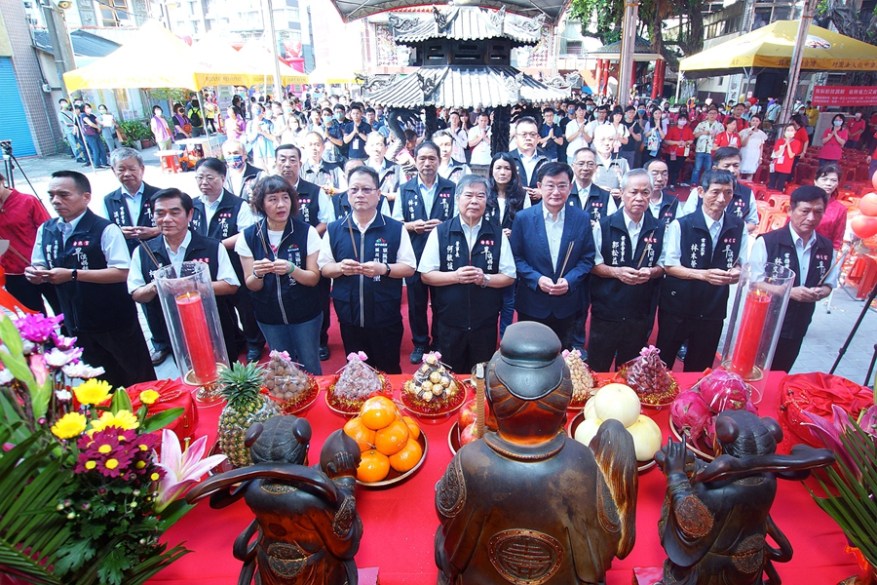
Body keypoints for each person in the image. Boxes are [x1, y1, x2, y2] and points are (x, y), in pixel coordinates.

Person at [26, 170, 153, 388]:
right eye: (52, 195)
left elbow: (122, 271)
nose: (56, 201)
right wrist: (36, 273)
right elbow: (39, 262)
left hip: (114, 320)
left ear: (86, 197)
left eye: (64, 195)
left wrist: (73, 274)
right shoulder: (46, 229)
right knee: (99, 381)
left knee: (136, 377)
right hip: (76, 322)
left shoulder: (104, 229)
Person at [128, 188, 240, 369]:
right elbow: (137, 294)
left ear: (190, 214)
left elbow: (231, 285)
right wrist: (156, 286)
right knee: (189, 374)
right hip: (173, 332)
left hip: (214, 328)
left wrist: (193, 284)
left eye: (174, 212)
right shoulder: (143, 252)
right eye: (160, 213)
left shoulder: (212, 247)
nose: (166, 219)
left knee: (225, 374)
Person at [318, 166, 416, 374]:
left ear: (378, 194)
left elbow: (409, 267)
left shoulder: (395, 228)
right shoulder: (335, 228)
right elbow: (324, 268)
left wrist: (384, 269)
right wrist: (340, 268)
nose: (360, 195)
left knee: (389, 371)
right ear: (347, 194)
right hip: (349, 316)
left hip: (385, 315)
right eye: (354, 189)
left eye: (366, 189)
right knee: (358, 373)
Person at [418, 175, 516, 374]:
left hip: (485, 322)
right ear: (457, 199)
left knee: (480, 376)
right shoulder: (441, 232)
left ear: (487, 201)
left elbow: (509, 276)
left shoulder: (497, 234)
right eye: (469, 195)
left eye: (480, 196)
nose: (474, 201)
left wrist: (485, 279)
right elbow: (426, 274)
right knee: (448, 377)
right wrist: (456, 276)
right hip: (448, 322)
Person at [656, 170, 746, 372]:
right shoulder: (682, 224)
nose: (722, 199)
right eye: (715, 192)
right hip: (678, 304)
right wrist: (704, 275)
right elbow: (669, 266)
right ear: (701, 192)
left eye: (728, 193)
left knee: (700, 366)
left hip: (713, 306)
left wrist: (737, 272)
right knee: (664, 362)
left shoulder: (737, 226)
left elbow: (741, 263)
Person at [236, 176, 323, 375]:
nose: (281, 204)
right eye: (273, 199)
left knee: (310, 363)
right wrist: (258, 274)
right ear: (261, 204)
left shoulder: (306, 232)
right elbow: (252, 284)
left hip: (305, 314)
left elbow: (313, 278)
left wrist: (292, 269)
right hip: (269, 315)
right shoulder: (248, 236)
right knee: (284, 369)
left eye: (285, 197)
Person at [748, 186, 838, 372]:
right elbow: (754, 282)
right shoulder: (768, 242)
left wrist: (820, 292)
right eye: (805, 211)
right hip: (765, 323)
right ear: (790, 210)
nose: (811, 218)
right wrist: (787, 291)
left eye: (818, 212)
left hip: (798, 324)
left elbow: (829, 283)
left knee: (781, 372)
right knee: (754, 371)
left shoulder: (826, 247)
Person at [510, 162, 596, 348]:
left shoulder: (581, 219)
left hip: (567, 304)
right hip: (532, 302)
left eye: (562, 185)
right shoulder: (523, 218)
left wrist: (570, 281)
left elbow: (587, 258)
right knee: (530, 354)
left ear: (570, 187)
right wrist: (537, 279)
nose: (556, 192)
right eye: (550, 185)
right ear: (539, 186)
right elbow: (516, 258)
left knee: (562, 356)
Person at [588, 170, 665, 371]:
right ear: (622, 193)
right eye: (633, 192)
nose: (639, 198)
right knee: (598, 368)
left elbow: (665, 264)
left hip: (640, 311)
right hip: (606, 310)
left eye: (645, 192)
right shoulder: (604, 225)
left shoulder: (659, 228)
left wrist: (652, 272)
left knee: (630, 371)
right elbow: (593, 264)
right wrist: (616, 272)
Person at [190, 157, 262, 362]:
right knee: (219, 308)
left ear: (223, 178)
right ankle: (235, 339)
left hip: (234, 262)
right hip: (205, 267)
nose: (204, 182)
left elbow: (247, 233)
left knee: (245, 306)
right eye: (200, 178)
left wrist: (216, 246)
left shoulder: (238, 205)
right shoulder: (192, 205)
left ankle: (254, 342)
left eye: (210, 178)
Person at [392, 141, 457, 363]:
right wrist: (412, 226)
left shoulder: (451, 188)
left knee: (442, 302)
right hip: (415, 253)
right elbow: (396, 223)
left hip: (443, 255)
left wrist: (444, 226)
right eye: (422, 158)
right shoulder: (405, 189)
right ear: (415, 160)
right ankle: (420, 343)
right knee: (416, 303)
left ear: (439, 160)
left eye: (432, 158)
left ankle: (439, 342)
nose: (427, 163)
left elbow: (459, 219)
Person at [0, 171, 58, 314]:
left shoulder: (27, 201)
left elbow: (49, 232)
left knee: (63, 314)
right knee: (33, 319)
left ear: (2, 181)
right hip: (13, 274)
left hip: (42, 269)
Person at [680, 147, 760, 234]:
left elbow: (752, 223)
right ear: (715, 169)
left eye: (736, 165)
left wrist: (731, 231)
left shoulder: (747, 193)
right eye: (727, 166)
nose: (732, 170)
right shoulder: (700, 191)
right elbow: (686, 220)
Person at [568, 147, 614, 224]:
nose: (585, 168)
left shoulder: (606, 196)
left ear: (596, 167)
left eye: (590, 164)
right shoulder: (565, 194)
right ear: (573, 166)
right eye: (581, 164)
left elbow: (612, 223)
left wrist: (598, 226)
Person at [592, 124, 630, 202]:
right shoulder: (589, 162)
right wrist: (597, 190)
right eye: (602, 139)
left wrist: (622, 193)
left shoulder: (622, 162)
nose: (607, 143)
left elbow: (630, 188)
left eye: (610, 139)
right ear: (595, 142)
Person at [813, 164, 846, 251]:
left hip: (822, 252)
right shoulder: (802, 201)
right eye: (824, 179)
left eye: (833, 180)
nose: (828, 184)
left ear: (837, 183)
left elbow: (837, 240)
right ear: (815, 181)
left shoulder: (840, 209)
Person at [644, 158, 679, 227]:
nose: (660, 179)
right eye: (654, 174)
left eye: (664, 174)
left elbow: (680, 227)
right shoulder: (636, 200)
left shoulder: (673, 202)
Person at [663, 113, 694, 187]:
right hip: (672, 152)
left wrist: (685, 142)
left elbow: (691, 140)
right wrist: (677, 142)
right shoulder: (672, 129)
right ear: (677, 120)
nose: (682, 121)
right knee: (671, 167)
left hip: (683, 152)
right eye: (681, 119)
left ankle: (675, 182)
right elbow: (666, 141)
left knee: (678, 167)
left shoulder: (688, 130)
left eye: (684, 119)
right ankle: (669, 183)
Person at [769, 124, 802, 191]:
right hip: (775, 166)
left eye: (792, 130)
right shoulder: (779, 141)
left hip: (785, 167)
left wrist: (788, 143)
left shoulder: (797, 142)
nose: (789, 132)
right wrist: (784, 144)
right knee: (771, 185)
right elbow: (776, 153)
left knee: (780, 186)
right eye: (788, 130)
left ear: (795, 132)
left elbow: (791, 155)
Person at [79, 103, 109, 169]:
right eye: (87, 108)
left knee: (102, 148)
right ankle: (97, 164)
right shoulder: (83, 115)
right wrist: (97, 127)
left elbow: (99, 121)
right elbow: (90, 123)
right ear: (83, 109)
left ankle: (104, 162)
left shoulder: (92, 115)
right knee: (95, 149)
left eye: (89, 107)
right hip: (89, 135)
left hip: (96, 133)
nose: (89, 109)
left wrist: (107, 122)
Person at [739, 114, 768, 180]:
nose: (755, 122)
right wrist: (748, 135)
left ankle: (748, 185)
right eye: (753, 120)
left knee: (750, 173)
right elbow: (742, 144)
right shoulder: (744, 131)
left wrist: (760, 158)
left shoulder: (761, 134)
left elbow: (761, 147)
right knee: (740, 172)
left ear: (759, 122)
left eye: (757, 121)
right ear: (750, 121)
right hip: (745, 153)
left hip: (755, 154)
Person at [57, 98, 86, 164]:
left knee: (80, 143)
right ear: (60, 104)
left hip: (75, 129)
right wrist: (74, 124)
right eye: (62, 103)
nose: (64, 104)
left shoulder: (70, 112)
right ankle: (78, 157)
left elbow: (75, 120)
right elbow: (66, 123)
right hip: (69, 131)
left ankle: (84, 156)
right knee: (74, 144)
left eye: (65, 102)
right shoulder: (60, 114)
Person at [247, 104, 275, 170]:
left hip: (269, 152)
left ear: (262, 110)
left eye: (258, 108)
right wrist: (256, 132)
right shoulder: (250, 124)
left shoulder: (268, 123)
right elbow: (249, 139)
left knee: (272, 171)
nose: (256, 110)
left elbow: (273, 138)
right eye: (254, 108)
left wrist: (262, 132)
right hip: (257, 153)